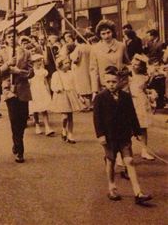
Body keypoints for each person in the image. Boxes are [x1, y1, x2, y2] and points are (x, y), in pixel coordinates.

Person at [93, 67, 153, 205]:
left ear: (119, 81)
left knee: (130, 161)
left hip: (124, 136)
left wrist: (137, 131)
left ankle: (138, 192)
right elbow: (97, 119)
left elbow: (132, 115)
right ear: (104, 82)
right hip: (109, 137)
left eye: (114, 81)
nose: (111, 84)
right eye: (108, 81)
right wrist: (100, 135)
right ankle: (112, 187)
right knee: (111, 161)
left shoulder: (126, 97)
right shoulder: (100, 98)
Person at [0, 30, 34, 163]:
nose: (12, 38)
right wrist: (7, 65)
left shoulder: (26, 52)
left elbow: (31, 73)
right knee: (14, 120)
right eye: (9, 36)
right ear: (6, 38)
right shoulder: (2, 53)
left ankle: (17, 141)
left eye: (14, 36)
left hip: (23, 90)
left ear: (18, 37)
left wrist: (18, 71)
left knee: (23, 119)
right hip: (9, 91)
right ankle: (20, 149)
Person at [90, 19, 129, 98]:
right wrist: (95, 90)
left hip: (121, 85)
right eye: (103, 34)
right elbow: (93, 70)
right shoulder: (95, 49)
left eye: (108, 32)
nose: (106, 36)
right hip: (104, 86)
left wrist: (124, 72)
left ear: (113, 32)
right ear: (99, 35)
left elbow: (127, 63)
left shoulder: (121, 46)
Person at [50, 57, 84, 144]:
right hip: (61, 95)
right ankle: (64, 129)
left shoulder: (71, 73)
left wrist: (79, 95)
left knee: (70, 116)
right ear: (60, 65)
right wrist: (57, 89)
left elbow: (75, 85)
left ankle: (70, 134)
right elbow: (53, 85)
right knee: (65, 116)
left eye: (69, 63)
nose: (68, 64)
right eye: (66, 63)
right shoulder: (56, 74)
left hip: (70, 94)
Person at [129, 54, 154, 160]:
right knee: (128, 128)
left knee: (143, 127)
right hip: (130, 103)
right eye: (133, 64)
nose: (135, 66)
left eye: (138, 65)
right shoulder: (128, 76)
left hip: (141, 103)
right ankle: (125, 151)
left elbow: (144, 88)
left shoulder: (145, 77)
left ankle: (144, 150)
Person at [29, 54, 54, 136]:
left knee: (44, 109)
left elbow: (46, 83)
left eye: (40, 61)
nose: (39, 63)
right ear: (33, 63)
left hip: (42, 91)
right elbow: (29, 83)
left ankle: (47, 127)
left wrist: (48, 92)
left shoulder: (43, 71)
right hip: (34, 91)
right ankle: (37, 125)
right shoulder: (31, 71)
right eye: (37, 61)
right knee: (35, 109)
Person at [69, 35, 92, 110]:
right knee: (89, 86)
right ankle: (91, 104)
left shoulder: (78, 48)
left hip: (80, 69)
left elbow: (75, 59)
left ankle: (85, 105)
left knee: (82, 87)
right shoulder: (89, 47)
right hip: (89, 68)